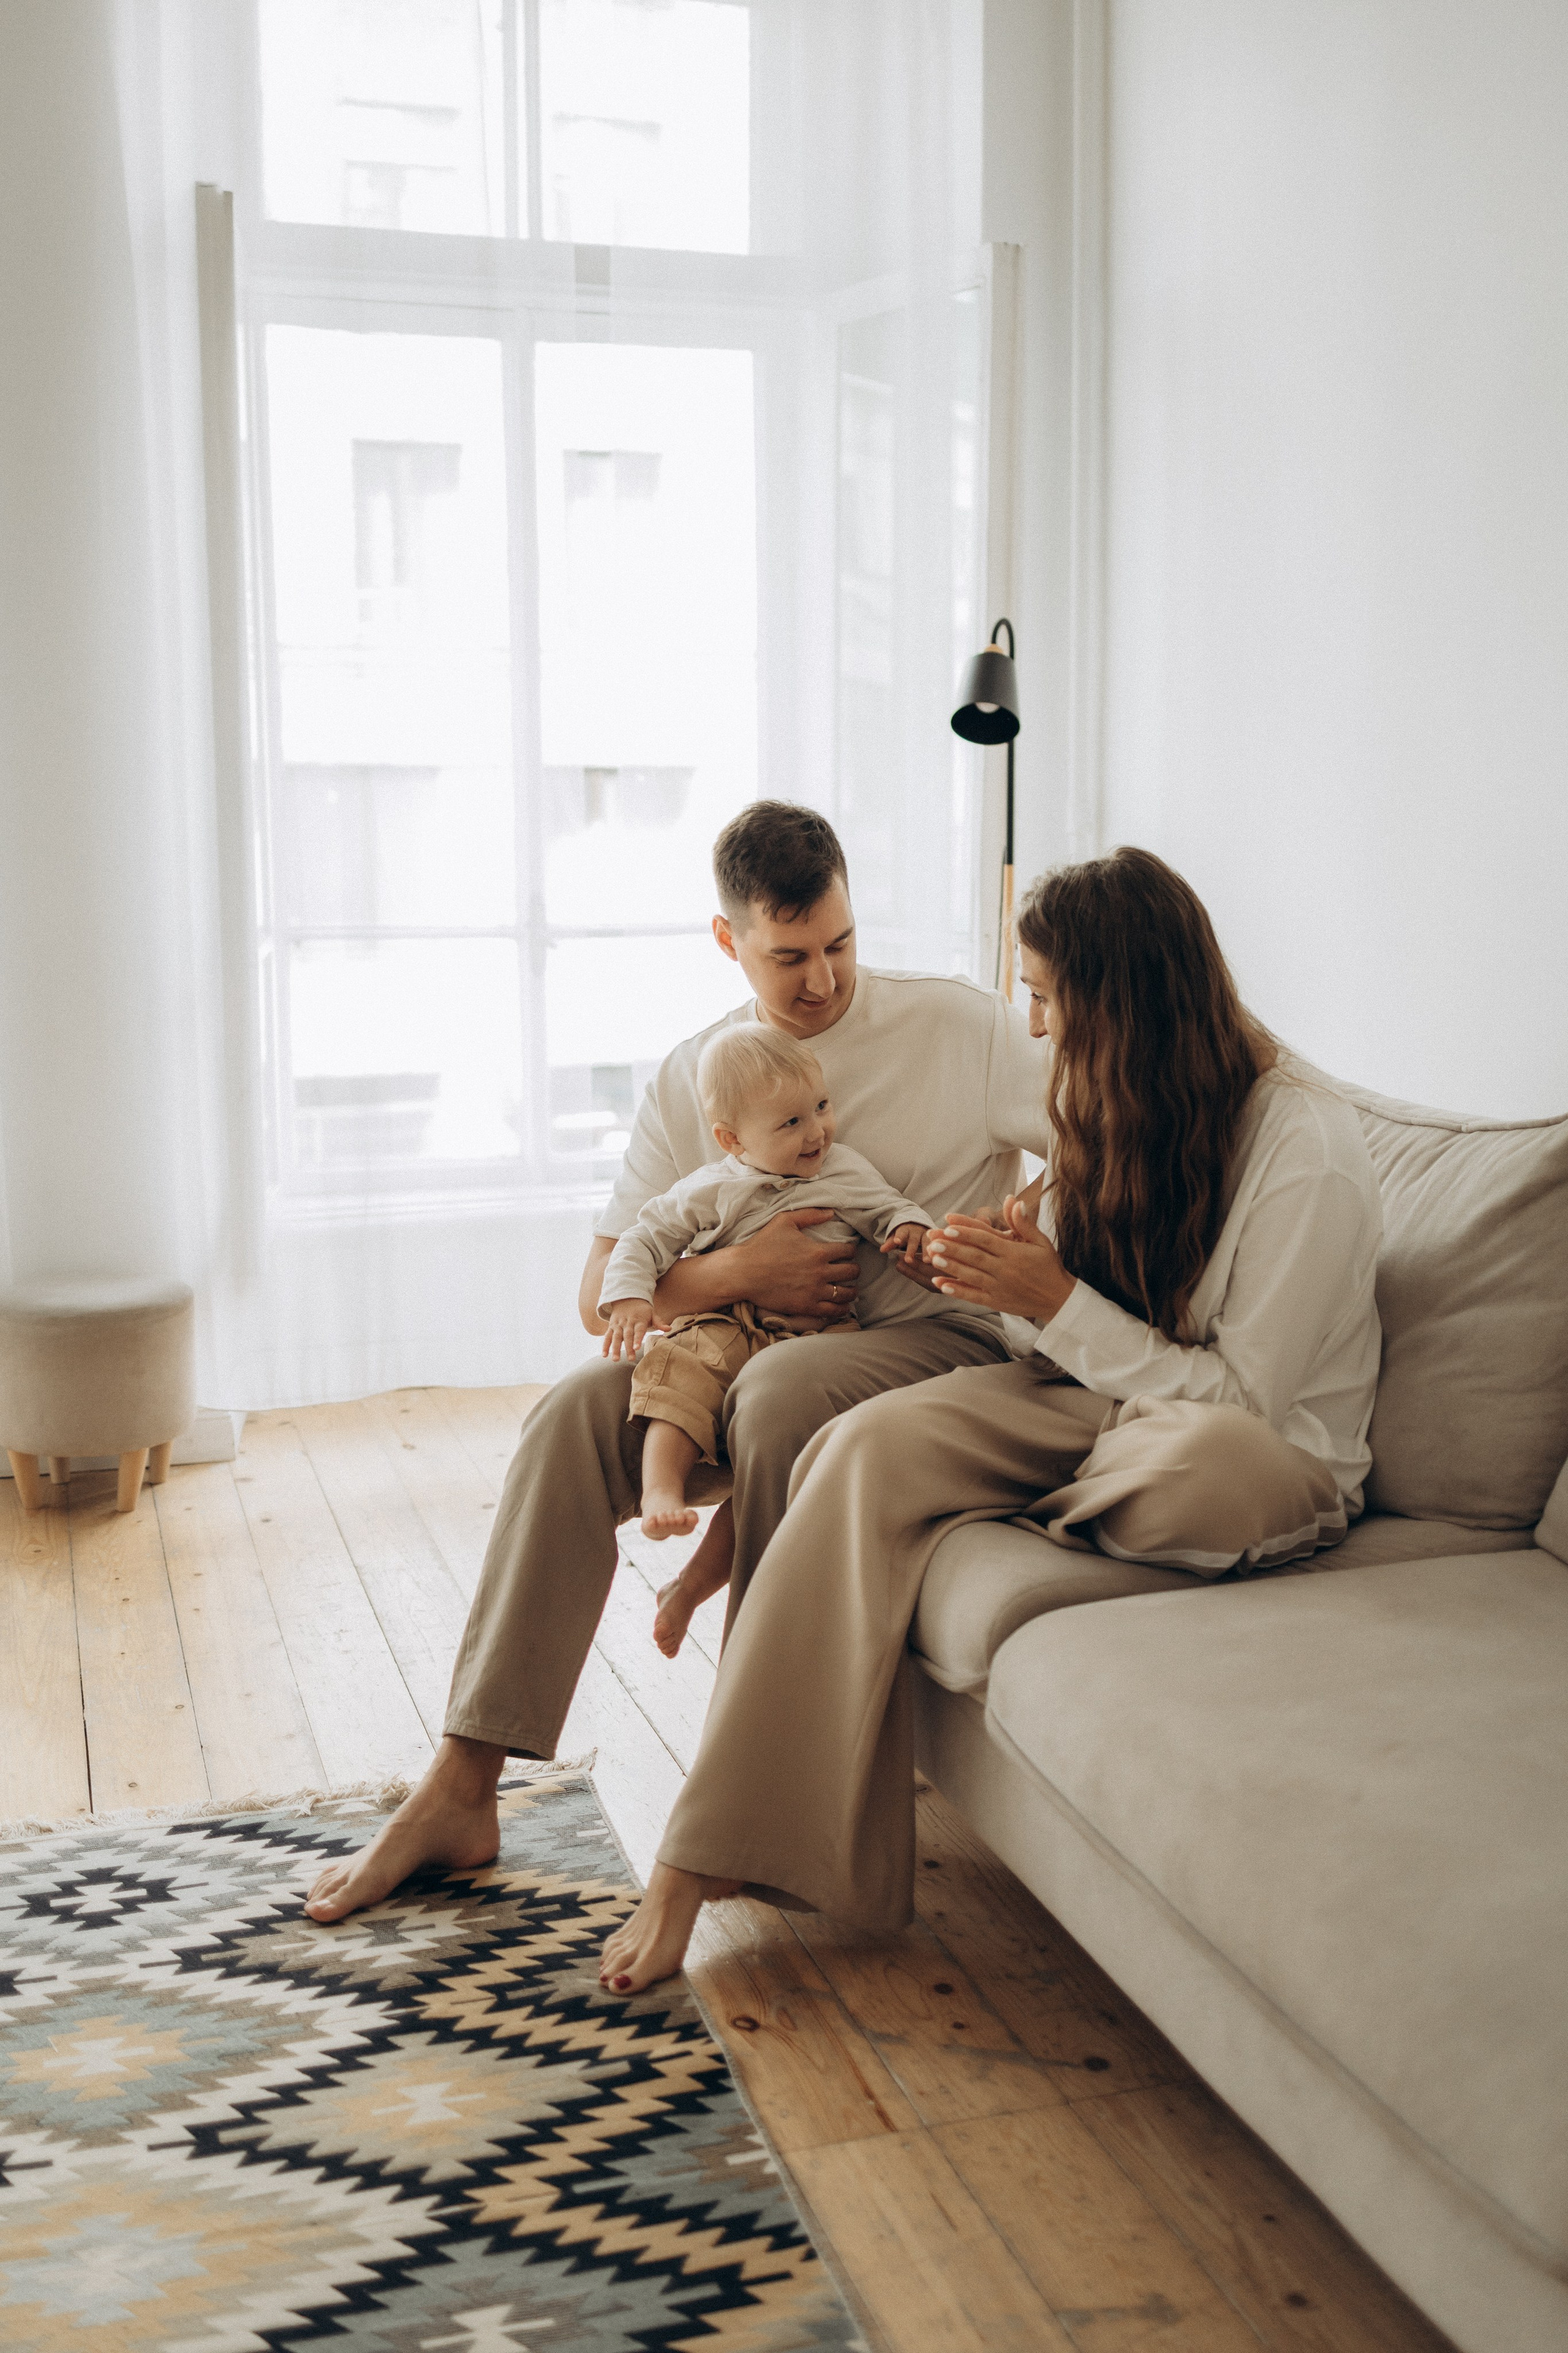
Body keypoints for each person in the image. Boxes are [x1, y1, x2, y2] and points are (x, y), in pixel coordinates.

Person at [597, 845, 1385, 1993]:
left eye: (1051, 1004)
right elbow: (1065, 1329)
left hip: (1247, 1447)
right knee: (855, 1447)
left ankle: (1046, 1508)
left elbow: (1246, 1399)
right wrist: (1004, 1278)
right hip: (1098, 1405)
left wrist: (1055, 1300)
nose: (1041, 1033)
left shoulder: (1303, 1152)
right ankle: (705, 1858)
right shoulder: (1118, 1104)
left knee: (1202, 1458)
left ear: (1123, 1005)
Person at [304, 800, 1050, 1924]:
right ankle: (460, 1787)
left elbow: (1096, 1139)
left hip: (925, 1346)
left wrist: (1036, 1221)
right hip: (743, 1343)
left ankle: (740, 1811)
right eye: (788, 956)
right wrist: (742, 1273)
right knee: (571, 1415)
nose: (822, 980)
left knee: (781, 1389)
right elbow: (602, 1282)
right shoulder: (702, 1075)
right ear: (728, 941)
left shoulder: (963, 1028)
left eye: (840, 945)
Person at [600, 1022, 935, 1655]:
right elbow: (643, 1238)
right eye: (789, 1123)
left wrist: (912, 1229)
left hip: (815, 1340)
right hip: (730, 1325)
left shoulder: (843, 1168)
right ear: (732, 1139)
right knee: (681, 1373)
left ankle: (695, 1583)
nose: (816, 1131)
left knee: (775, 1462)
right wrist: (629, 1299)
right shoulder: (709, 1189)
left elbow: (887, 1206)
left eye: (821, 1107)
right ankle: (660, 1489)